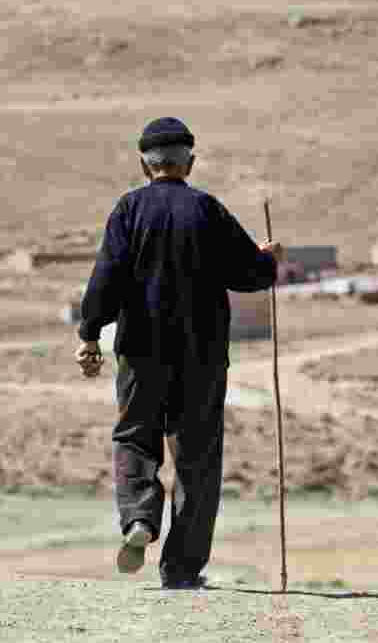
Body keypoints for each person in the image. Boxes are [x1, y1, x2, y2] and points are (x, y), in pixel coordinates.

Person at [74, 117, 284, 589]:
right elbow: (248, 273)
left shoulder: (128, 210)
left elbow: (106, 277)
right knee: (197, 459)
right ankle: (183, 568)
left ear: (144, 166)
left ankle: (138, 518)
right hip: (201, 357)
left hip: (140, 353)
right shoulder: (207, 210)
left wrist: (89, 333)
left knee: (134, 438)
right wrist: (269, 260)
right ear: (189, 162)